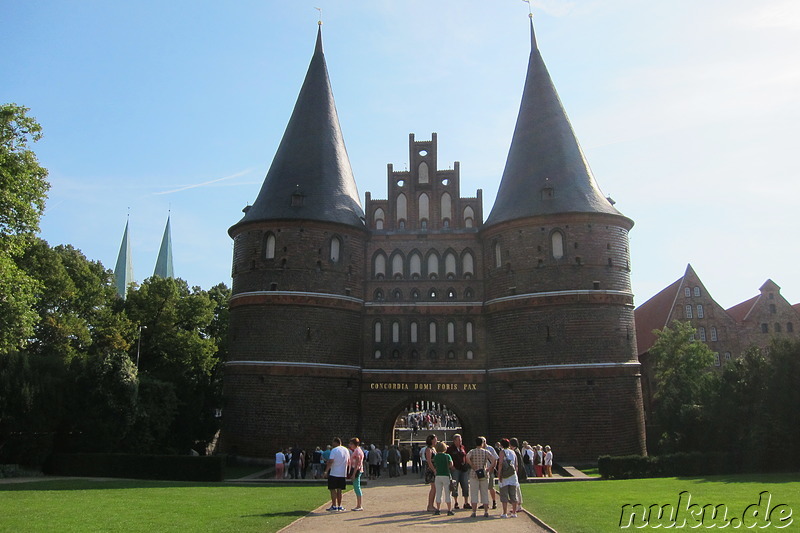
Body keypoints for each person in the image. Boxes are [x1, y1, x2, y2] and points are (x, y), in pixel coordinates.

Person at [466, 436, 496, 518]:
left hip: (474, 473)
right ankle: (486, 511)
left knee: (474, 493)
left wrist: (472, 465)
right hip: (484, 473)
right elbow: (494, 459)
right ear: (482, 443)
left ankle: (474, 512)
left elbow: (467, 457)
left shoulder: (472, 451)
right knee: (485, 493)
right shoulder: (485, 451)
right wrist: (489, 468)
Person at [324, 437, 350, 512]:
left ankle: (334, 505)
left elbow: (331, 461)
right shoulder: (346, 450)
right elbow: (348, 461)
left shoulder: (334, 450)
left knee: (332, 489)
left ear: (336, 442)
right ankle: (340, 505)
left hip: (334, 472)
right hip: (342, 473)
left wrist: (326, 471)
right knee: (339, 489)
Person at [446, 434, 470, 510]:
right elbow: (448, 458)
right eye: (458, 440)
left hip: (463, 469)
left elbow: (465, 456)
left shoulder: (462, 447)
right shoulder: (450, 449)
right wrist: (451, 466)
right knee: (455, 486)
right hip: (455, 469)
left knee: (465, 485)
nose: (460, 441)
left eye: (461, 440)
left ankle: (466, 502)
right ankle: (456, 502)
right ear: (454, 441)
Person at [497, 438, 519, 518]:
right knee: (513, 494)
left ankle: (505, 513)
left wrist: (499, 474)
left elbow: (500, 464)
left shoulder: (502, 452)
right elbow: (516, 465)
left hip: (505, 475)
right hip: (513, 475)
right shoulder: (513, 452)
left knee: (504, 494)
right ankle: (514, 512)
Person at [432, 441, 455, 516]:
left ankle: (438, 509)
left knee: (438, 493)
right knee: (447, 493)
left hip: (438, 475)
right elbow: (451, 464)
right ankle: (449, 510)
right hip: (446, 475)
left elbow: (435, 464)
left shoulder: (436, 456)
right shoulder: (447, 456)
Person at [348, 437, 365, 511]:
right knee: (356, 487)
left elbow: (357, 464)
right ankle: (358, 505)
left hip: (357, 470)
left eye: (351, 444)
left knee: (357, 487)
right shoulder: (357, 450)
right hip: (357, 470)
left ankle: (359, 505)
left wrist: (353, 474)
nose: (350, 445)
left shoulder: (357, 452)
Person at [424, 434, 438, 512]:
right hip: (431, 471)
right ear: (431, 440)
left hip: (434, 470)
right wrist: (434, 470)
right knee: (433, 488)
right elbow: (429, 461)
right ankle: (430, 505)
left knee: (435, 488)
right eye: (435, 439)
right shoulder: (428, 449)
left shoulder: (433, 449)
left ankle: (431, 505)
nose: (436, 440)